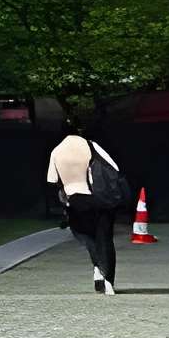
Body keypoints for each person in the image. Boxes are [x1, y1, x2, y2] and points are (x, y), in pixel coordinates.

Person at [49, 124, 127, 294]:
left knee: (85, 236)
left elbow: (53, 179)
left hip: (74, 201)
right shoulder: (91, 145)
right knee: (104, 237)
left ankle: (98, 269)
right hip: (99, 197)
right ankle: (108, 281)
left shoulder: (56, 151)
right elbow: (114, 167)